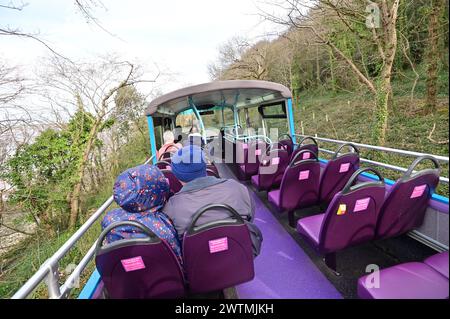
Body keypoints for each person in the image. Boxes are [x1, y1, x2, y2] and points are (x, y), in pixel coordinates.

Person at [163, 145, 263, 257]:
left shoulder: (171, 209)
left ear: (176, 175)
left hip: (200, 267)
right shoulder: (238, 189)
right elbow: (250, 218)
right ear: (204, 165)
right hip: (239, 257)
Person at [101, 164, 182, 264]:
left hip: (127, 275)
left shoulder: (109, 221)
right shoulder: (163, 228)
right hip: (162, 275)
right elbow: (178, 262)